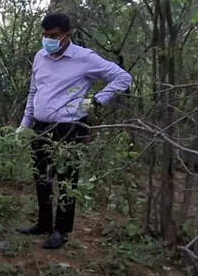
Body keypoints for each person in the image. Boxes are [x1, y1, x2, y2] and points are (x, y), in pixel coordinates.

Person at [16, 13, 133, 250]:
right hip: (41, 126)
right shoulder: (40, 56)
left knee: (67, 179)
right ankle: (44, 223)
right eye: (45, 35)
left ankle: (61, 231)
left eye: (53, 36)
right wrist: (24, 124)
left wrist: (97, 101)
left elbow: (123, 77)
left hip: (69, 127)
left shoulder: (84, 58)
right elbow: (33, 92)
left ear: (67, 35)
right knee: (41, 176)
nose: (48, 40)